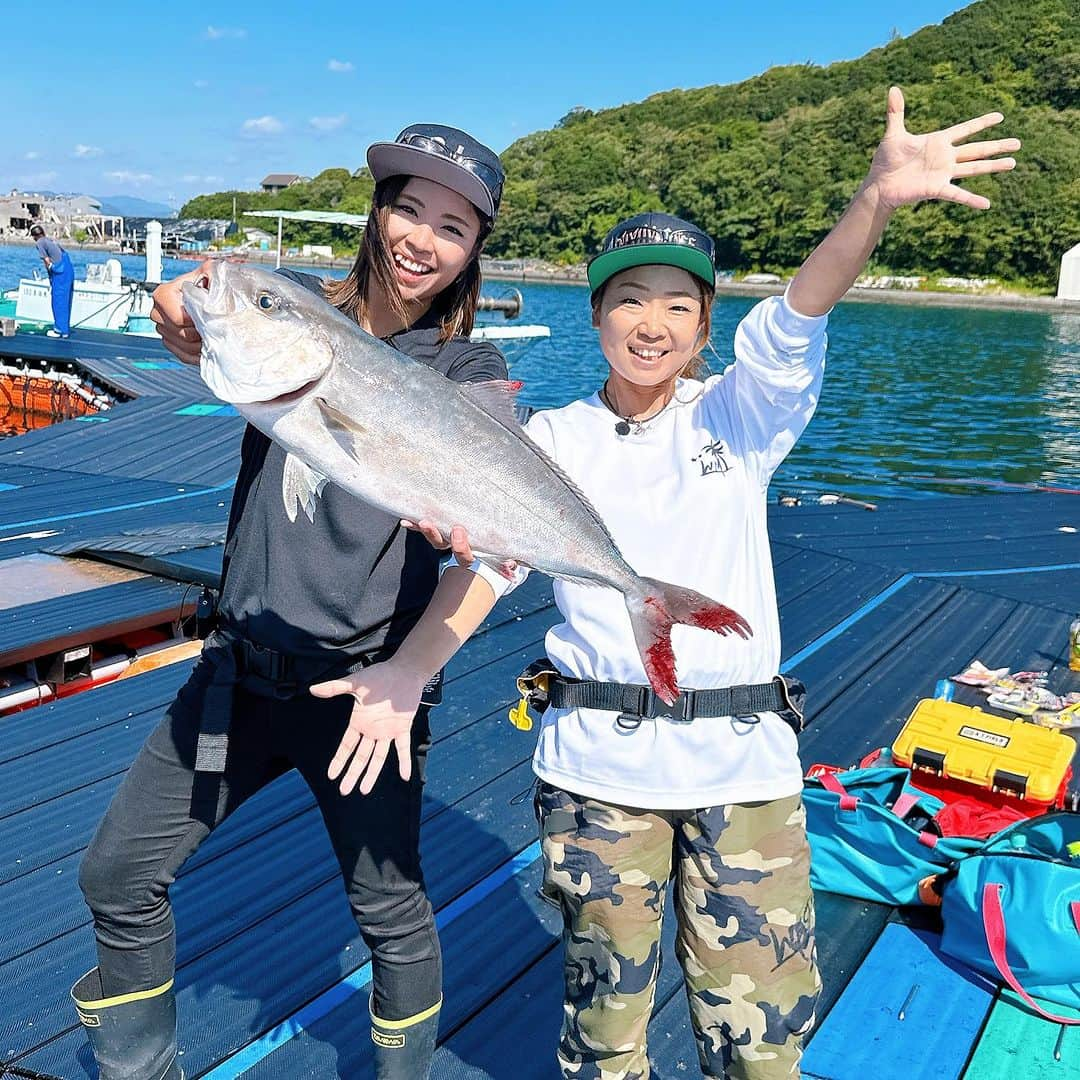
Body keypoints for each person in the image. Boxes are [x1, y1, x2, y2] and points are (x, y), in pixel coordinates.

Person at [345, 87, 1020, 1078]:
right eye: (628, 298)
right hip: (594, 777)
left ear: (705, 327)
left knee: (758, 1049)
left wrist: (873, 202)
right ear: (596, 317)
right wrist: (409, 667)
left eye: (676, 303)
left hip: (742, 777)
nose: (650, 322)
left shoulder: (740, 420)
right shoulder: (551, 440)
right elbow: (489, 565)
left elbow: (799, 313)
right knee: (602, 1046)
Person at [71, 124, 510, 1080]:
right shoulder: (294, 315)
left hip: (363, 696)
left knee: (390, 916)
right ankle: (136, 1070)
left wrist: (415, 665)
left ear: (474, 251)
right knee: (116, 875)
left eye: (454, 226)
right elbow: (199, 303)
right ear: (378, 212)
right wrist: (180, 303)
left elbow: (493, 541)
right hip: (236, 671)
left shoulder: (468, 375)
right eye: (408, 208)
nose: (422, 239)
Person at [30, 223, 75, 338]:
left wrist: (50, 271)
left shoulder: (40, 243)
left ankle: (59, 330)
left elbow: (46, 260)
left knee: (58, 301)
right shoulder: (50, 240)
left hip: (59, 270)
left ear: (34, 236)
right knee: (66, 301)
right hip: (68, 269)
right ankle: (65, 330)